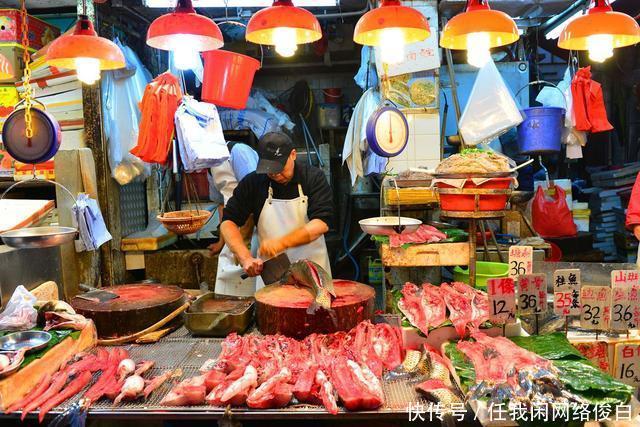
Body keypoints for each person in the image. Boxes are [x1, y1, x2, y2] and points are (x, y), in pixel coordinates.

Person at [220, 132, 333, 290]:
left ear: (293, 155)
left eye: (280, 168)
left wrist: (282, 243)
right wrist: (245, 258)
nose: (275, 174)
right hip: (273, 280)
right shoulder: (253, 183)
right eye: (270, 169)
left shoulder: (313, 178)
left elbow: (321, 224)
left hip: (313, 277)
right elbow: (228, 222)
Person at [208, 142, 259, 296]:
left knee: (254, 281)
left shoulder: (238, 152)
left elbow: (253, 195)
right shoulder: (208, 165)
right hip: (232, 229)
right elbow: (222, 205)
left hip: (252, 228)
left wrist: (244, 239)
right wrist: (221, 242)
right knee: (227, 286)